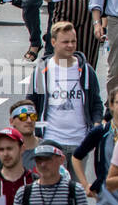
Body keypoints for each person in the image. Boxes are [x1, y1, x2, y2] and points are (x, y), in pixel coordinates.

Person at [31, 20, 102, 158]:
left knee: (78, 180)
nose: (70, 46)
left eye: (73, 41)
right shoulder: (42, 71)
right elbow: (32, 102)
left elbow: (96, 103)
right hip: (51, 141)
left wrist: (96, 125)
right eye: (65, 42)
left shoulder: (86, 71)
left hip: (80, 142)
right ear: (53, 42)